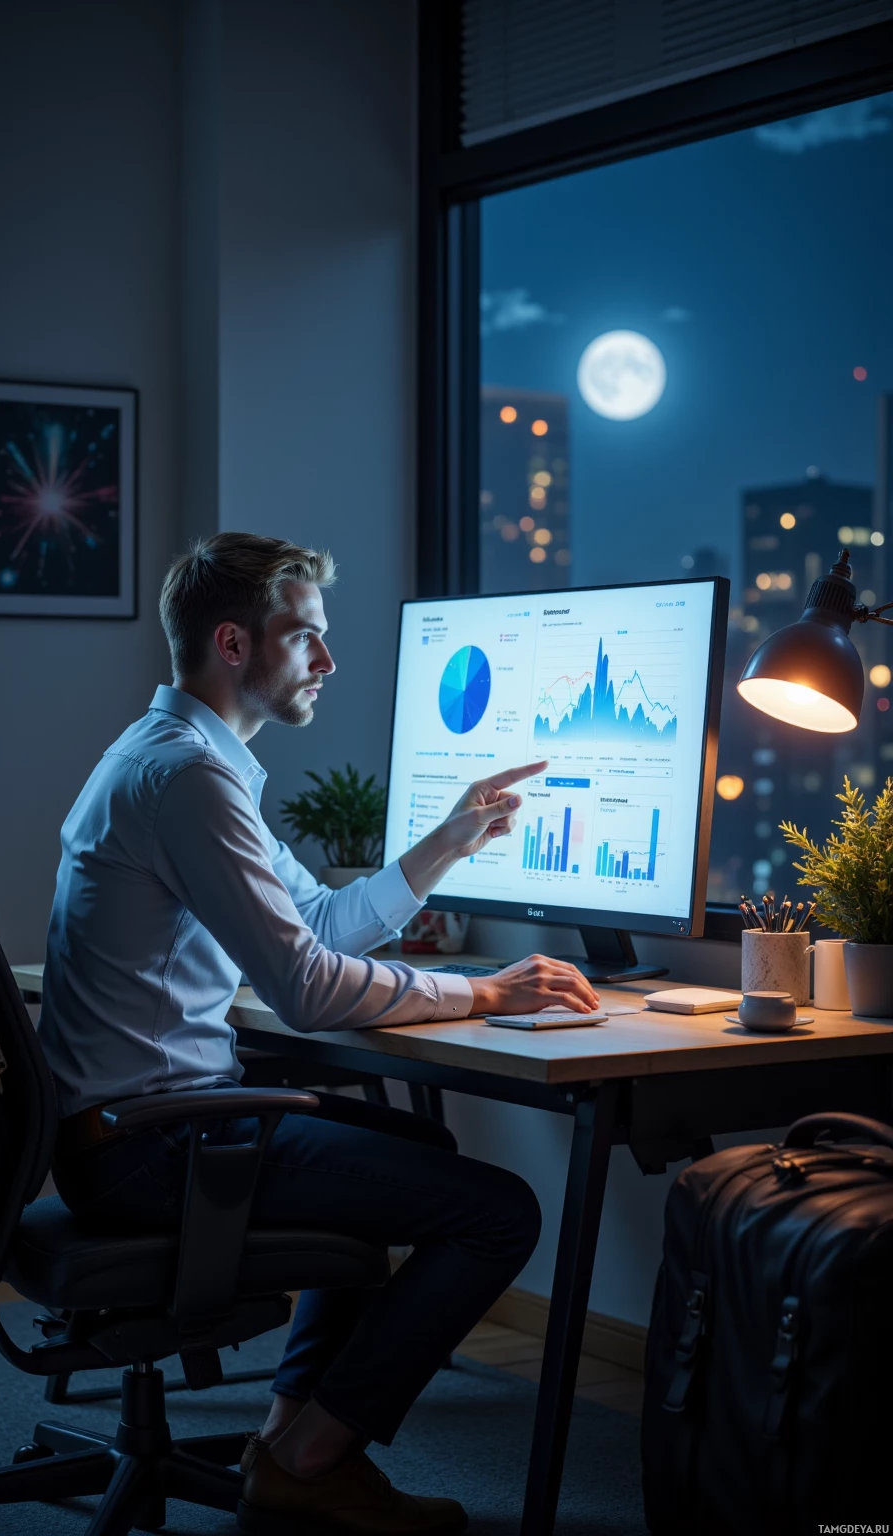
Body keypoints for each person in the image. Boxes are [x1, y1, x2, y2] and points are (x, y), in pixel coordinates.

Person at [39, 533, 600, 1535]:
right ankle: (310, 1457)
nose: (328, 664)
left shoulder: (183, 758)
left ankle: (287, 1444)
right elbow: (302, 987)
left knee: (415, 1155)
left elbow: (320, 929)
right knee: (497, 1212)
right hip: (152, 1149)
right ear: (234, 643)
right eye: (307, 638)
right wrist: (480, 996)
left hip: (138, 1129)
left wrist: (442, 842)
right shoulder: (189, 779)